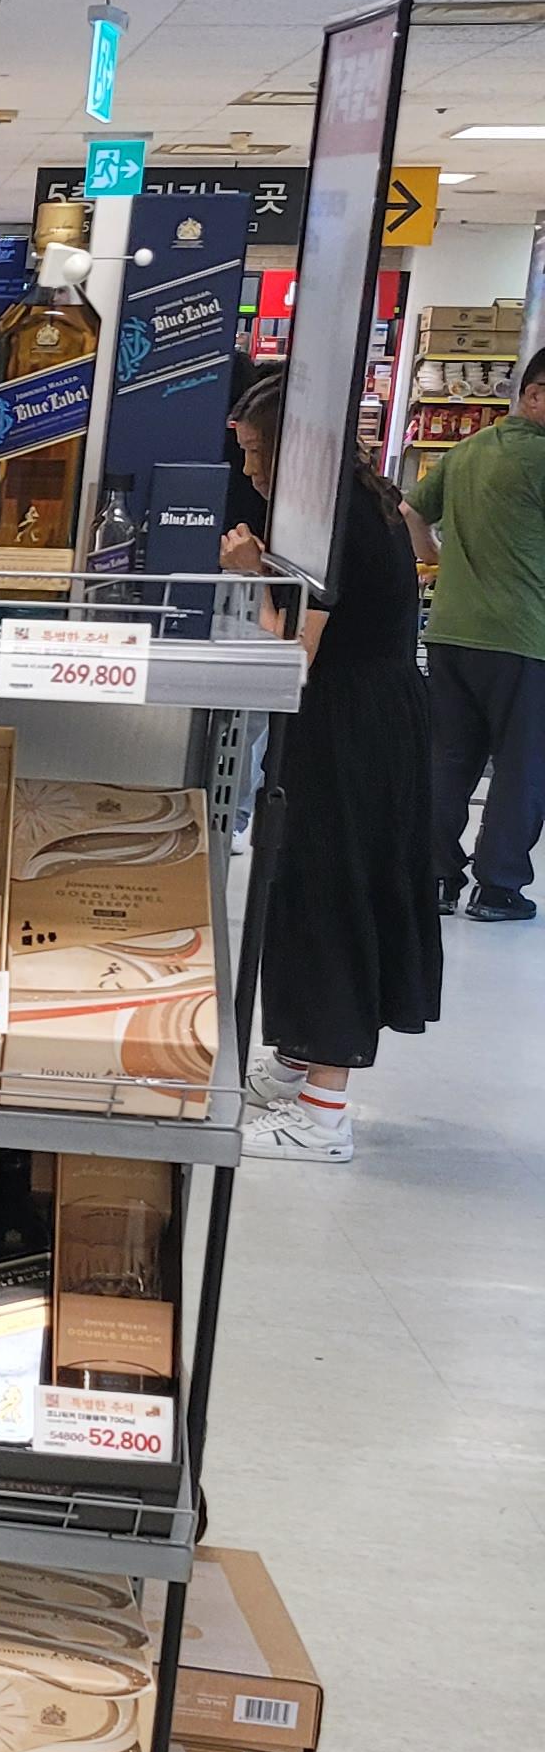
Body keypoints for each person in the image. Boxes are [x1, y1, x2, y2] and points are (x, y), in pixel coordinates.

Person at [217, 367, 442, 1160]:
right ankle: (299, 1061)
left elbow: (294, 656)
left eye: (258, 452)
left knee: (331, 888)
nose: (250, 470)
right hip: (373, 716)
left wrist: (250, 580)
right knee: (317, 882)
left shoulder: (330, 517)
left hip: (350, 724)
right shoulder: (363, 499)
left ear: (292, 449)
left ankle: (322, 1114)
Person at [407, 346, 545, 920]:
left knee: (448, 759)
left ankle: (436, 877)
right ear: (534, 394)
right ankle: (497, 887)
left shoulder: (467, 450)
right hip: (523, 637)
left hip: (450, 632)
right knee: (523, 767)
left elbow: (412, 513)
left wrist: (439, 560)